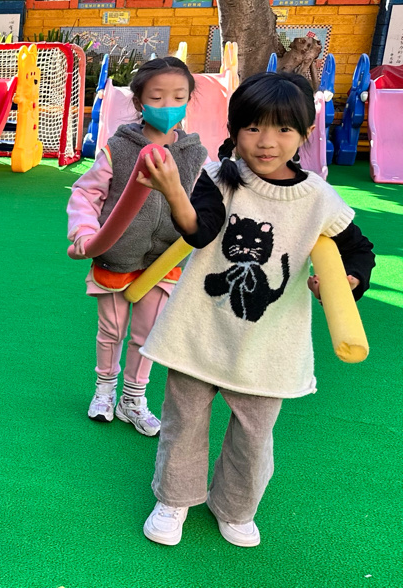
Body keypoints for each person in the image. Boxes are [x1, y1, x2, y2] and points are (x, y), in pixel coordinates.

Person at [136, 72, 375, 548]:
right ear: (235, 130)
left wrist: (347, 281)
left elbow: (358, 249)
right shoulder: (220, 179)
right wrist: (174, 191)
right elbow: (200, 231)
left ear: (306, 133)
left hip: (269, 341)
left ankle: (235, 507)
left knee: (254, 434)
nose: (267, 141)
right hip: (200, 328)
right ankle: (175, 497)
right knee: (184, 421)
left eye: (283, 129)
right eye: (253, 128)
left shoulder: (318, 197)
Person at [68, 57, 208, 436]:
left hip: (164, 261)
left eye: (178, 97)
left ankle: (133, 399)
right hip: (117, 257)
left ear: (189, 100)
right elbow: (86, 193)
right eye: (157, 98)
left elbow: (205, 206)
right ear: (139, 102)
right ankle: (104, 389)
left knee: (148, 335)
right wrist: (84, 233)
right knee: (112, 331)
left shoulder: (195, 155)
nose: (168, 106)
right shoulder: (120, 147)